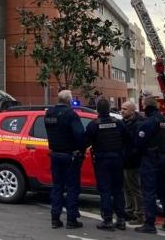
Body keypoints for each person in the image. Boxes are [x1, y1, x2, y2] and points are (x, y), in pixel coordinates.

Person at [85, 99, 128, 231]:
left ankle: (107, 220)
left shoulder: (93, 125)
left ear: (97, 110)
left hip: (102, 160)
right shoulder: (118, 123)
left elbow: (85, 141)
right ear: (109, 108)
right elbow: (127, 139)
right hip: (117, 159)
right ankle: (121, 219)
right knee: (118, 190)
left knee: (105, 191)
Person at [44, 89, 85, 229]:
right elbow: (80, 135)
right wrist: (81, 150)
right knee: (72, 188)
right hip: (69, 155)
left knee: (57, 187)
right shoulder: (70, 114)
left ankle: (55, 219)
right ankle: (71, 220)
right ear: (68, 100)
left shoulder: (49, 113)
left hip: (55, 154)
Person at [135, 96, 165, 234]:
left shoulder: (150, 122)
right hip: (163, 159)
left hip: (151, 160)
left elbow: (139, 142)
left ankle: (149, 223)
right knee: (163, 192)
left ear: (146, 106)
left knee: (149, 192)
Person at [121, 100, 145, 225]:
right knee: (126, 188)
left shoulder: (138, 124)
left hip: (133, 161)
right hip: (124, 160)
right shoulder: (123, 122)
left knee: (135, 188)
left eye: (125, 109)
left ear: (131, 111)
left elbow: (137, 144)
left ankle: (139, 215)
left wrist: (132, 155)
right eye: (122, 108)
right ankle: (129, 211)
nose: (122, 111)